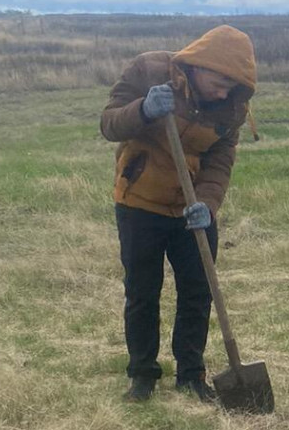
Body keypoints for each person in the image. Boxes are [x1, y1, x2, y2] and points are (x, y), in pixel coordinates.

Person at [100, 25, 258, 403]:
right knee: (142, 292)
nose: (224, 93)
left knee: (197, 293)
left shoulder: (232, 105)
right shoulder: (149, 71)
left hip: (192, 211)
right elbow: (108, 124)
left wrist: (208, 203)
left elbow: (220, 160)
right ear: (201, 65)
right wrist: (143, 110)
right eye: (219, 83)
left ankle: (191, 374)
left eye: (231, 87)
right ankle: (142, 375)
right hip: (140, 202)